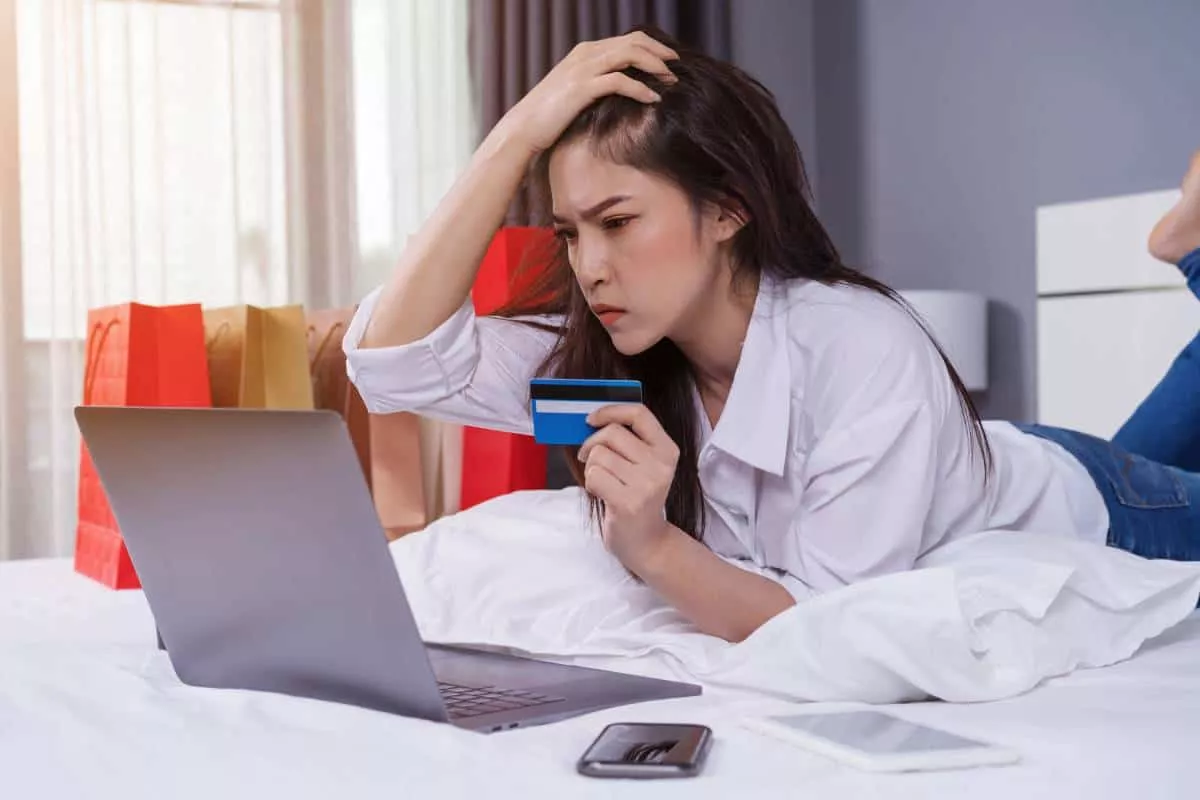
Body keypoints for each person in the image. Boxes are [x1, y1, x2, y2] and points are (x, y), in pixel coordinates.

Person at [344, 28, 1200, 643]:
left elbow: (820, 626)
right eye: (570, 233)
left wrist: (649, 545)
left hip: (1095, 504)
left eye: (618, 221)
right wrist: (517, 136)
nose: (590, 266)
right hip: (986, 461)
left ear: (727, 210)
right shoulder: (608, 353)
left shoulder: (859, 346)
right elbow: (395, 366)